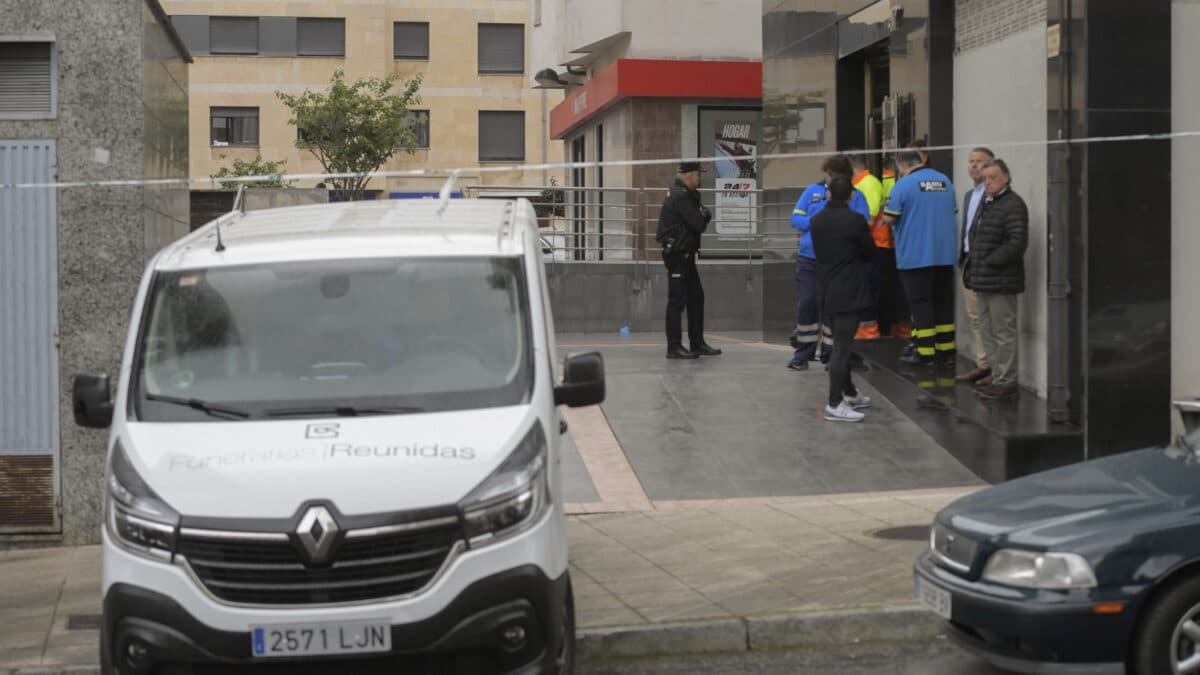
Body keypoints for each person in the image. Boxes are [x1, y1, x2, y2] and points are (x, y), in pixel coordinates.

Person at [788, 155, 871, 371]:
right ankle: (802, 354)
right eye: (829, 174)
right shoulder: (812, 192)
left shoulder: (856, 196)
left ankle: (831, 356)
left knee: (832, 311)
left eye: (835, 175)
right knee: (807, 305)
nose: (830, 179)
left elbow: (863, 224)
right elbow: (795, 219)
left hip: (837, 264)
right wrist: (817, 223)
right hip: (809, 260)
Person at [881, 149, 959, 367]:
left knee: (921, 304)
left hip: (915, 255)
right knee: (943, 303)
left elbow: (889, 218)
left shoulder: (903, 185)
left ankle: (925, 352)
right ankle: (946, 350)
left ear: (902, 165)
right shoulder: (945, 181)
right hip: (944, 255)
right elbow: (951, 211)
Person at [810, 176, 875, 422]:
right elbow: (870, 252)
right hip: (848, 290)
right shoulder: (855, 220)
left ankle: (849, 392)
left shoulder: (817, 220)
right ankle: (835, 403)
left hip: (825, 289)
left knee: (840, 343)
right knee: (842, 347)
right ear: (851, 195)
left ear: (828, 194)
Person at [964, 158, 1028, 401]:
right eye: (986, 178)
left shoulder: (1013, 204)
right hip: (982, 279)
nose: (987, 182)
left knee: (1004, 332)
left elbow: (1017, 242)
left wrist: (990, 261)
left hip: (1001, 281)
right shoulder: (987, 203)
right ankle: (996, 373)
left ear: (1006, 178)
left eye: (993, 178)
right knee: (987, 330)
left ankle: (1007, 380)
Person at [656, 161, 722, 359]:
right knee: (677, 301)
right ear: (688, 175)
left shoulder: (688, 194)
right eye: (697, 175)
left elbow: (703, 214)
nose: (699, 178)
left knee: (696, 298)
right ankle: (674, 347)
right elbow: (698, 222)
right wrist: (703, 216)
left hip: (687, 254)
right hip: (678, 254)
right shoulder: (680, 195)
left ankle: (697, 343)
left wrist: (704, 214)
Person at [955, 147, 995, 384]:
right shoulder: (970, 195)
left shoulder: (992, 195)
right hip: (968, 262)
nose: (973, 165)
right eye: (971, 161)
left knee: (990, 318)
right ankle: (984, 364)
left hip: (985, 263)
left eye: (979, 161)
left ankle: (994, 367)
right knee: (975, 316)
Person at [848, 153, 884, 340]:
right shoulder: (861, 184)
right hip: (867, 246)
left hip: (874, 246)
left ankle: (868, 337)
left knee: (867, 294)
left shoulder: (868, 184)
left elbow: (868, 219)